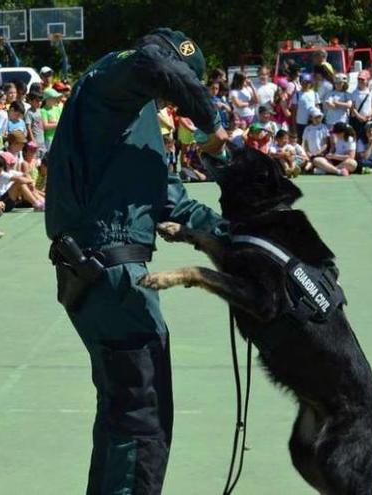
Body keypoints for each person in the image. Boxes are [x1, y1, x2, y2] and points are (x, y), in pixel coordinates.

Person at [45, 28, 230, 494]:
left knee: (125, 413)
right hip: (111, 274)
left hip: (114, 279)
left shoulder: (141, 125)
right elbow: (151, 64)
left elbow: (176, 205)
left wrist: (247, 238)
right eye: (181, 83)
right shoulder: (111, 79)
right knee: (139, 417)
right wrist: (209, 120)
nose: (175, 98)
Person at [349, 70, 372, 137]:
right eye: (359, 79)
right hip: (357, 120)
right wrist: (359, 116)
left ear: (367, 80)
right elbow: (352, 107)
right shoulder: (354, 93)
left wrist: (368, 115)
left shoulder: (371, 92)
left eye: (362, 79)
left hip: (368, 119)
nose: (360, 81)